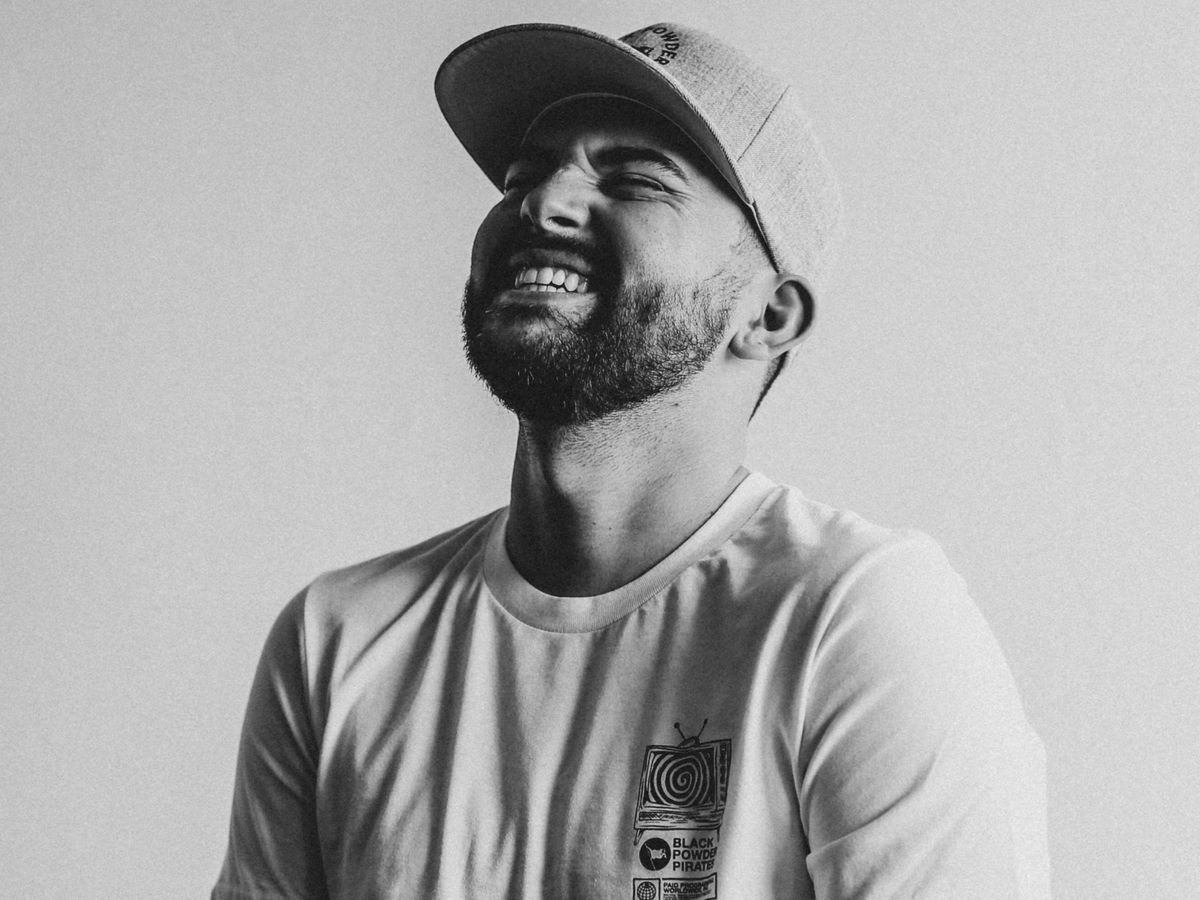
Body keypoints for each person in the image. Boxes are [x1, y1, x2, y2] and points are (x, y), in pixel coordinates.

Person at [212, 21, 1051, 900]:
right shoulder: (337, 639)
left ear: (768, 316)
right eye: (525, 176)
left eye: (635, 180)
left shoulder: (856, 620)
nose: (542, 203)